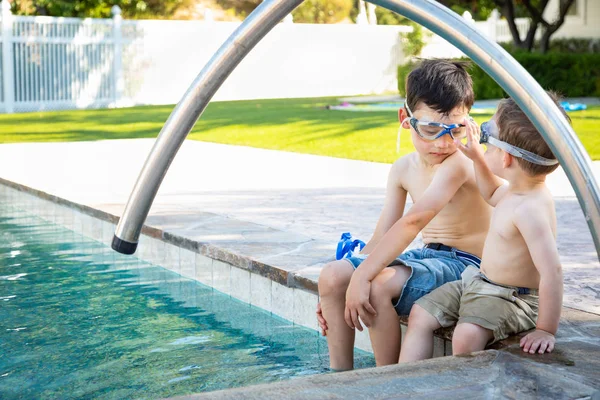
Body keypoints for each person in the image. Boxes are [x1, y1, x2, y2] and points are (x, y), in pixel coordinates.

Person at [317, 59, 492, 370]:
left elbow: (413, 221)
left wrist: (363, 274)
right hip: (428, 258)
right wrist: (346, 279)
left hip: (467, 266)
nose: (443, 142)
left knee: (377, 283)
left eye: (455, 129)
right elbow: (384, 232)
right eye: (430, 128)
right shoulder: (402, 169)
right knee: (332, 277)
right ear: (405, 118)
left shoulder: (459, 164)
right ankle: (338, 377)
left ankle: (388, 380)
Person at [399, 94, 566, 362]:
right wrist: (478, 158)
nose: (482, 145)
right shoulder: (517, 192)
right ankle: (403, 382)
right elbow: (489, 193)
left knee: (466, 336)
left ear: (507, 158)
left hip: (513, 298)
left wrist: (546, 329)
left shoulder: (529, 209)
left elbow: (553, 271)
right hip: (478, 281)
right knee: (421, 313)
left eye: (488, 143)